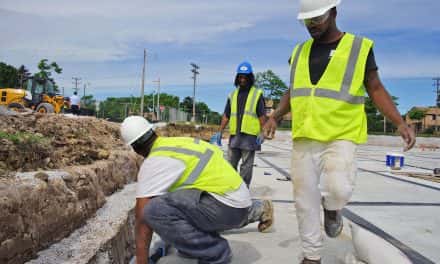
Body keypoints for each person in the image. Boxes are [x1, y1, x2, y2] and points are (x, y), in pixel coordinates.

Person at [264, 1, 416, 263]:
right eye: (307, 21)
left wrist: (399, 122)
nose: (312, 26)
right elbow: (292, 91)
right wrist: (275, 116)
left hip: (341, 134)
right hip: (305, 134)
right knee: (304, 199)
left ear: (334, 12)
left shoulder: (358, 48)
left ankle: (333, 209)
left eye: (317, 19)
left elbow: (375, 88)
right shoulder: (299, 52)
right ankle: (311, 256)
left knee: (339, 188)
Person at [120, 116, 274, 264]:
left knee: (153, 210)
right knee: (171, 201)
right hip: (238, 200)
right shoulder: (177, 142)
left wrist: (141, 261)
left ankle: (216, 252)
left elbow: (143, 218)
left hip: (228, 208)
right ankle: (258, 208)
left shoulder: (153, 163)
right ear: (153, 131)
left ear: (135, 148)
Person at [212, 62, 266, 187]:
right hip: (235, 136)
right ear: (237, 78)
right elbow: (226, 115)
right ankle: (231, 189)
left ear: (250, 78)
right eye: (240, 77)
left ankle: (243, 191)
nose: (242, 79)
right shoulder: (232, 95)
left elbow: (262, 116)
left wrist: (263, 132)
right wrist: (220, 131)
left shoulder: (256, 94)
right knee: (230, 165)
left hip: (250, 137)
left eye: (245, 77)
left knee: (246, 167)